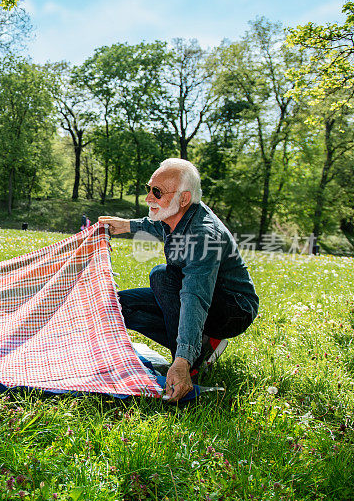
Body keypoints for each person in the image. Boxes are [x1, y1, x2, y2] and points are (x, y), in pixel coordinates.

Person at [98, 158, 258, 403]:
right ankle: (202, 347)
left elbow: (195, 297)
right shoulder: (175, 213)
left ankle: (187, 367)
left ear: (183, 198)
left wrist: (182, 360)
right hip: (196, 292)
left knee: (162, 276)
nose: (149, 198)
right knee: (117, 307)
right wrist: (125, 226)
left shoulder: (203, 235)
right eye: (148, 189)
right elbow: (157, 224)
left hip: (232, 307)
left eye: (157, 192)